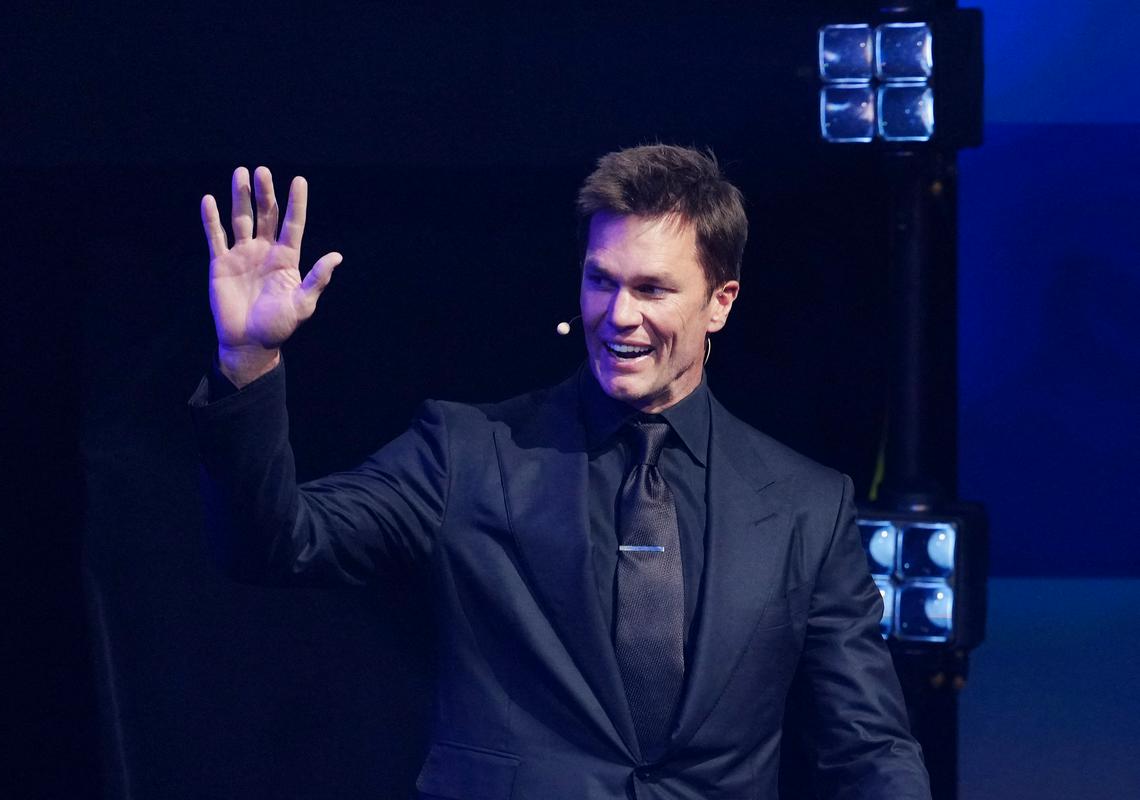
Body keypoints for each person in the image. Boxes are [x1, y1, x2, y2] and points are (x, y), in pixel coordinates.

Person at [189, 145, 931, 799]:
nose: (619, 315)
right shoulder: (465, 452)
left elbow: (867, 747)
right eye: (601, 281)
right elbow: (276, 543)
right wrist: (246, 360)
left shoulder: (806, 506)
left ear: (720, 303)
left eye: (652, 289)